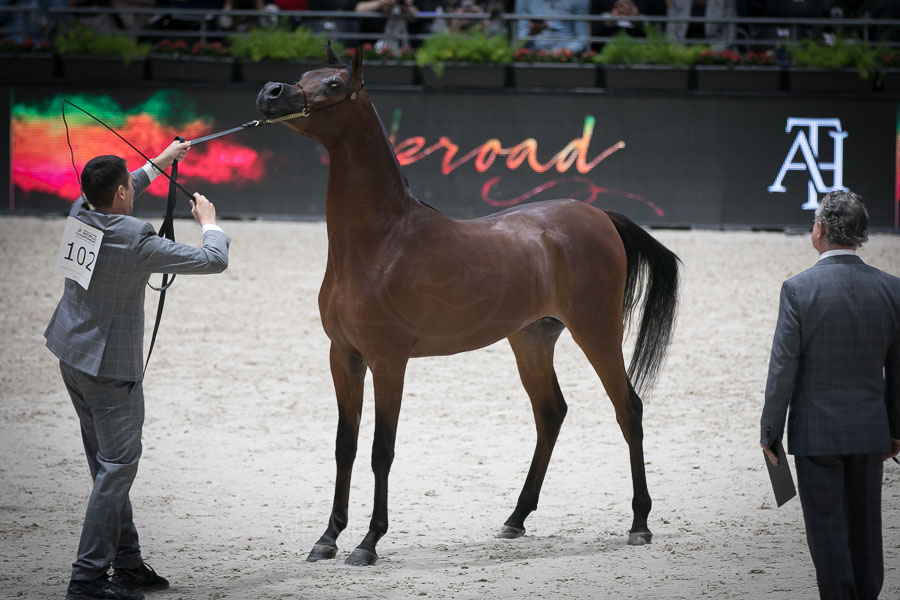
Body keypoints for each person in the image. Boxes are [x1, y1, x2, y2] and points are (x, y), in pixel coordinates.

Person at [46, 140, 231, 600]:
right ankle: (87, 578)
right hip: (109, 369)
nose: (132, 188)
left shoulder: (80, 211)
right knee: (117, 469)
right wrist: (209, 224)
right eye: (129, 184)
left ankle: (127, 564)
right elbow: (214, 260)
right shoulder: (135, 238)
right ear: (122, 192)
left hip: (71, 353)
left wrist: (161, 162)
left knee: (107, 466)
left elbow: (117, 193)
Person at [760, 190, 900, 600]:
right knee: (866, 530)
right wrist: (895, 430)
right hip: (870, 432)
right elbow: (897, 370)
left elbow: (783, 367)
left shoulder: (798, 289)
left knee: (827, 532)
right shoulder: (892, 289)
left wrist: (770, 432)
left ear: (819, 230)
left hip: (816, 433)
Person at [514, 0, 589, 54]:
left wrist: (565, 51)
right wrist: (531, 34)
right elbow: (519, 39)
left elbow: (582, 38)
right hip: (532, 56)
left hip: (568, 58)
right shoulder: (523, 1)